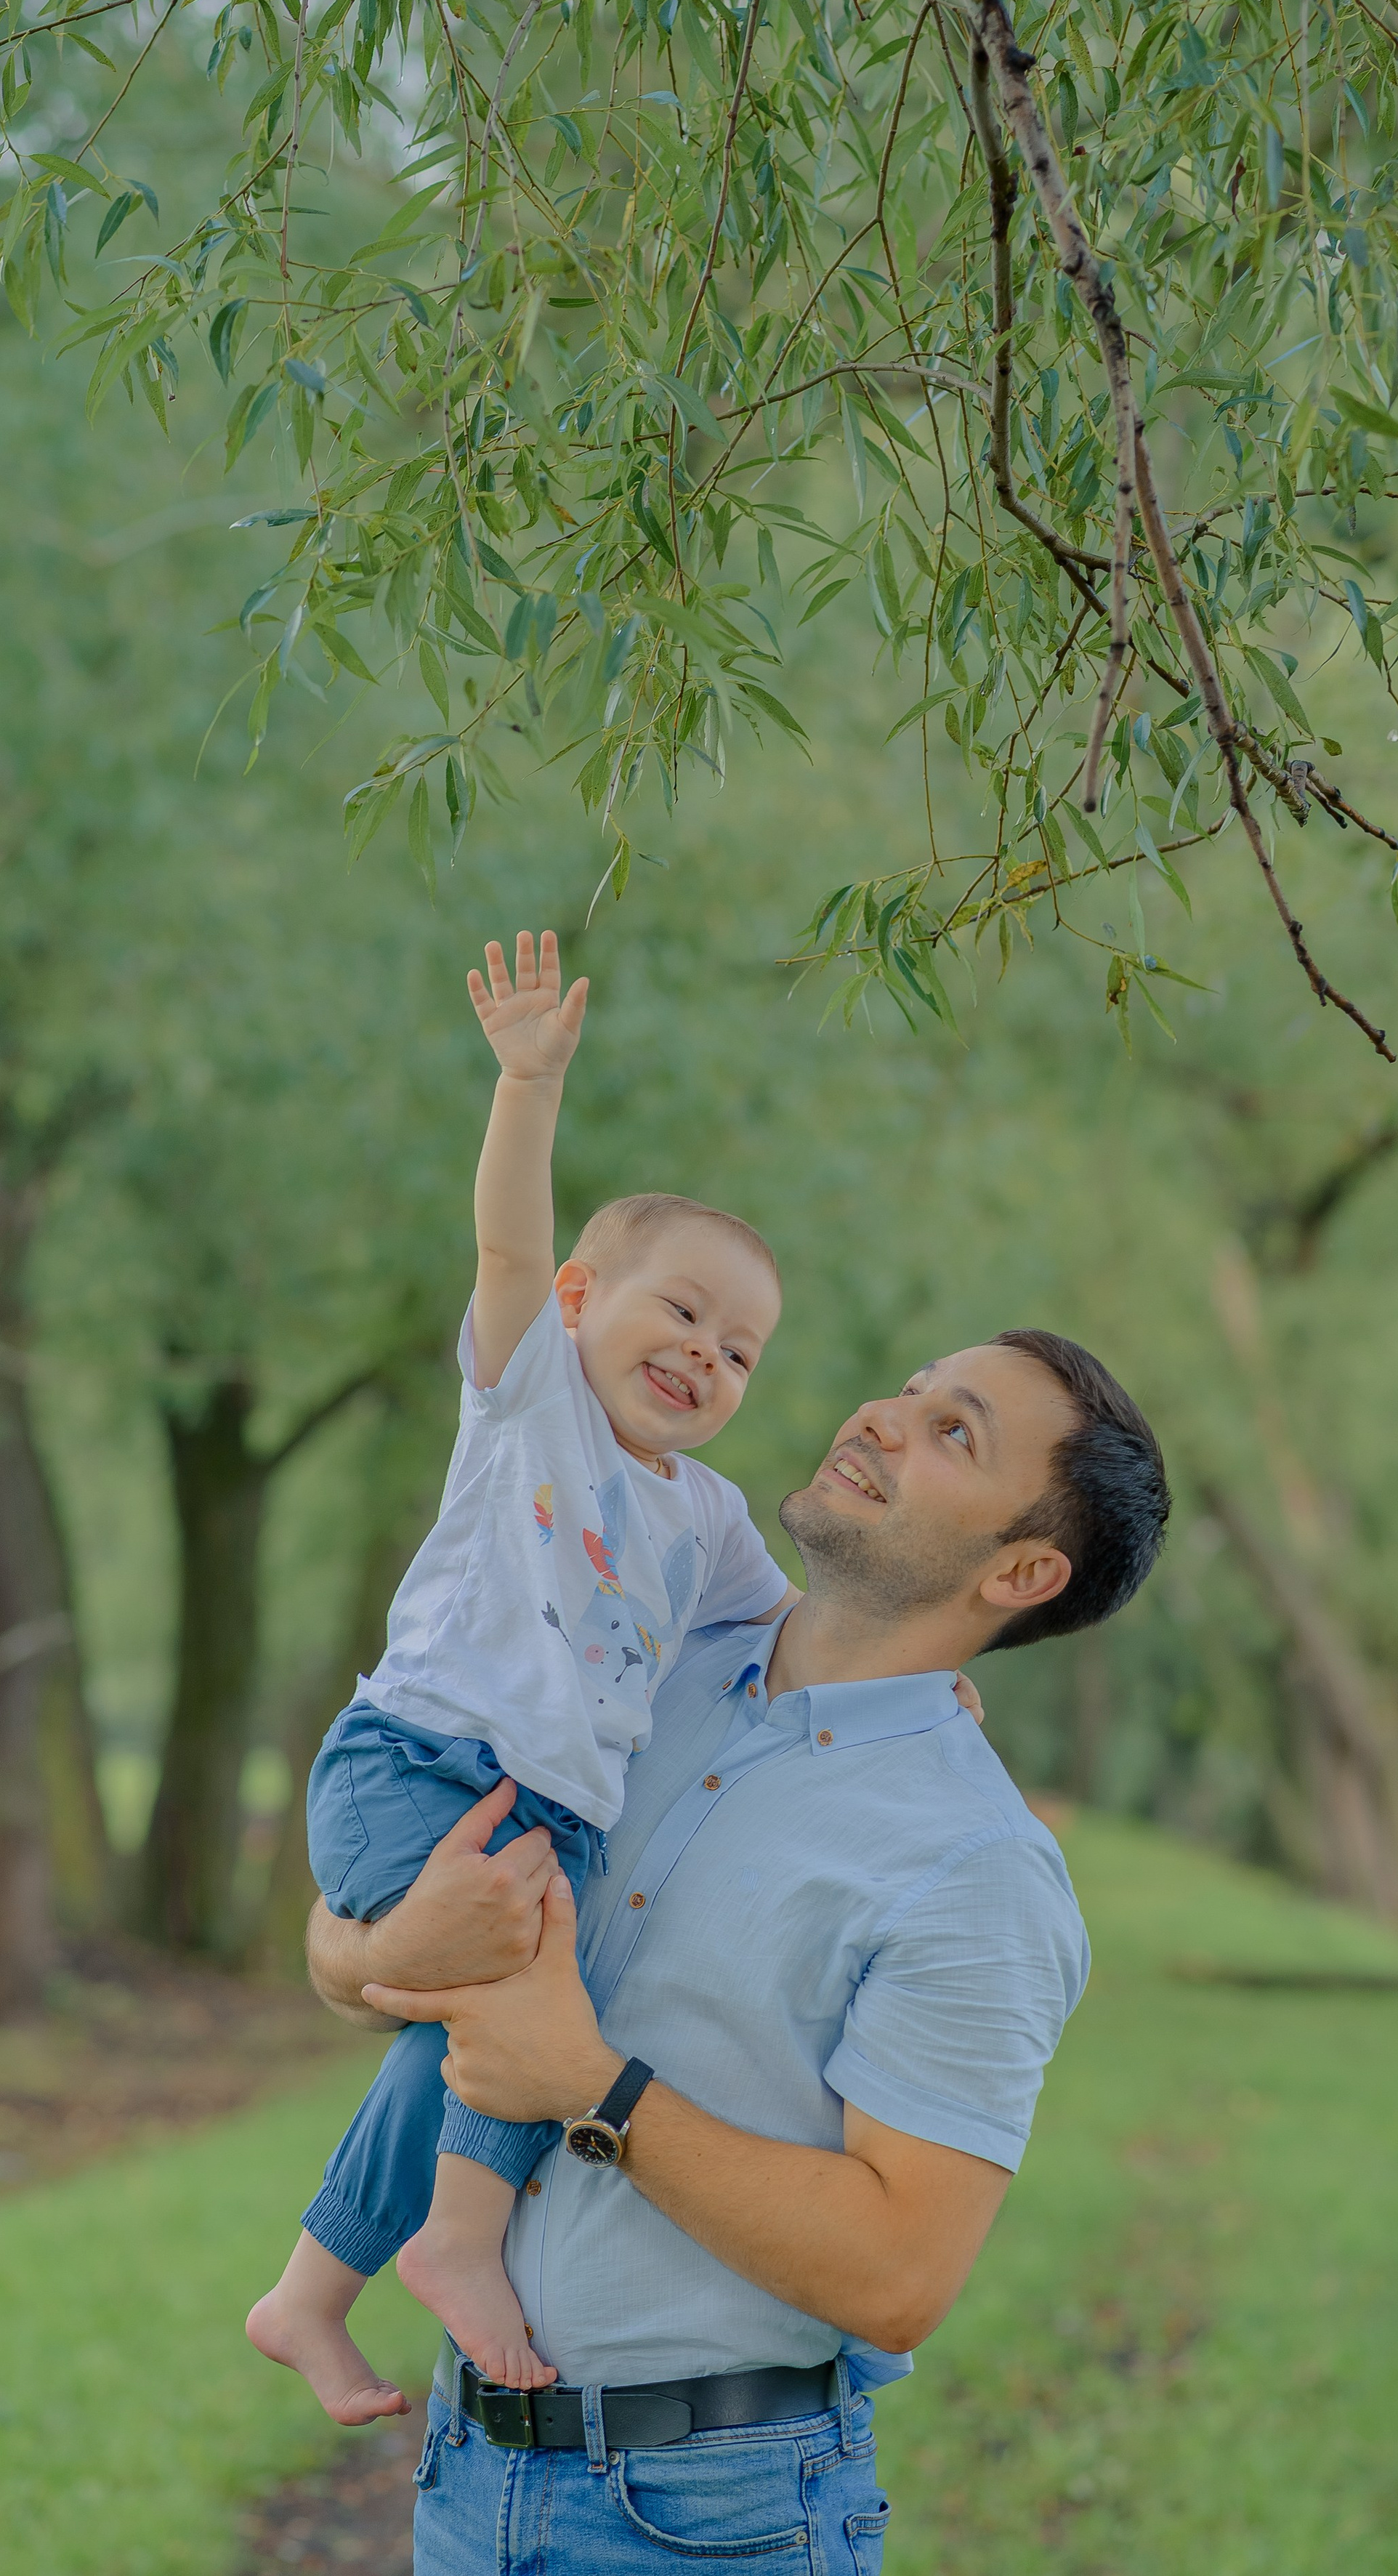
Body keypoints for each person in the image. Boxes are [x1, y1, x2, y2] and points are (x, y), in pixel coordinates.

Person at [252, 929, 979, 2420]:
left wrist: (931, 1675)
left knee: (524, 2024)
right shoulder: (530, 1403)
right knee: (507, 2011)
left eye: (741, 1352)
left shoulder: (703, 1517)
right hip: (424, 1761)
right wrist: (527, 1087)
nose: (707, 1358)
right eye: (682, 1314)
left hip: (544, 1816)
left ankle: (317, 2289)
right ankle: (443, 2245)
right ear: (584, 1303)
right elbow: (512, 1245)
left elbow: (795, 1635)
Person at [306, 1325, 1171, 2572]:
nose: (883, 1415)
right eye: (912, 1390)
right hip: (464, 2480)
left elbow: (897, 2276)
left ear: (1025, 1572)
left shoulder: (978, 1869)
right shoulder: (617, 1662)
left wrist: (592, 2091)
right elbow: (367, 1898)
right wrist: (372, 1953)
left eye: (954, 1432)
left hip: (712, 2521)